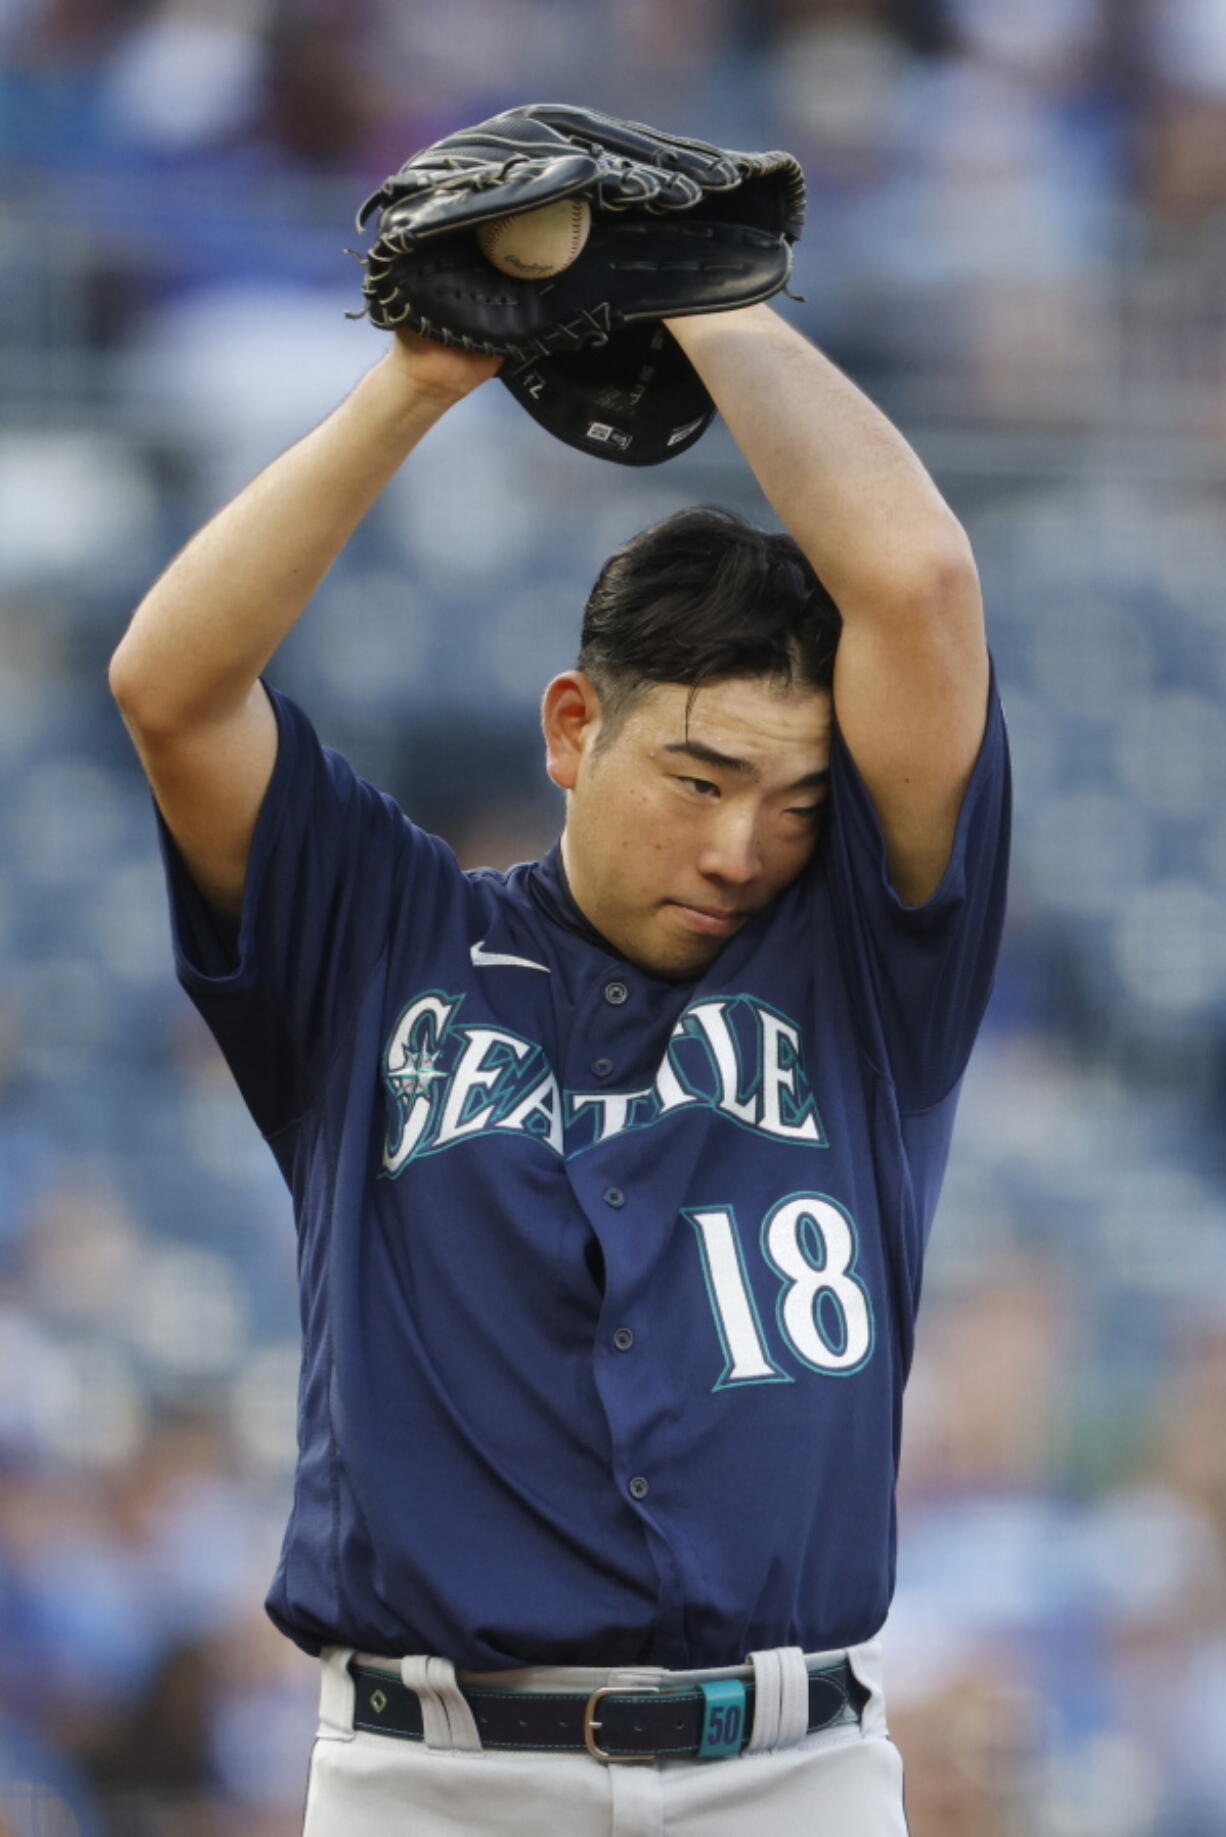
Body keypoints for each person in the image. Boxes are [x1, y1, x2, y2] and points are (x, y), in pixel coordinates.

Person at [109, 303, 1010, 1836]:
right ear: (571, 727)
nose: (743, 846)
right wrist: (422, 375)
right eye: (698, 776)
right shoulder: (378, 944)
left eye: (795, 800)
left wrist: (713, 301)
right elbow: (171, 684)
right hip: (429, 1776)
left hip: (788, 1772)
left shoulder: (861, 962)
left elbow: (918, 580)